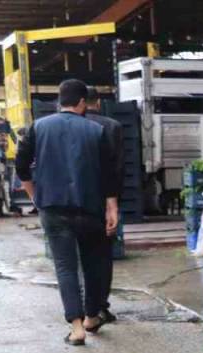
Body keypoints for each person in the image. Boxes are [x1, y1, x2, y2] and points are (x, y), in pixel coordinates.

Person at [15, 79, 119, 346]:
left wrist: (34, 196)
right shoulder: (97, 130)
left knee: (65, 266)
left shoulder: (39, 127)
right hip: (89, 208)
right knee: (93, 264)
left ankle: (76, 328)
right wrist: (112, 208)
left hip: (53, 207)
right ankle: (92, 317)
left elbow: (21, 165)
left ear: (59, 102)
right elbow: (110, 174)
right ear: (83, 102)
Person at [85, 88, 124, 328]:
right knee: (102, 257)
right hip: (104, 199)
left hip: (75, 200)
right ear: (97, 102)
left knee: (80, 259)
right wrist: (115, 202)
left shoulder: (67, 125)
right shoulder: (111, 126)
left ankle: (85, 310)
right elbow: (117, 167)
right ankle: (100, 305)